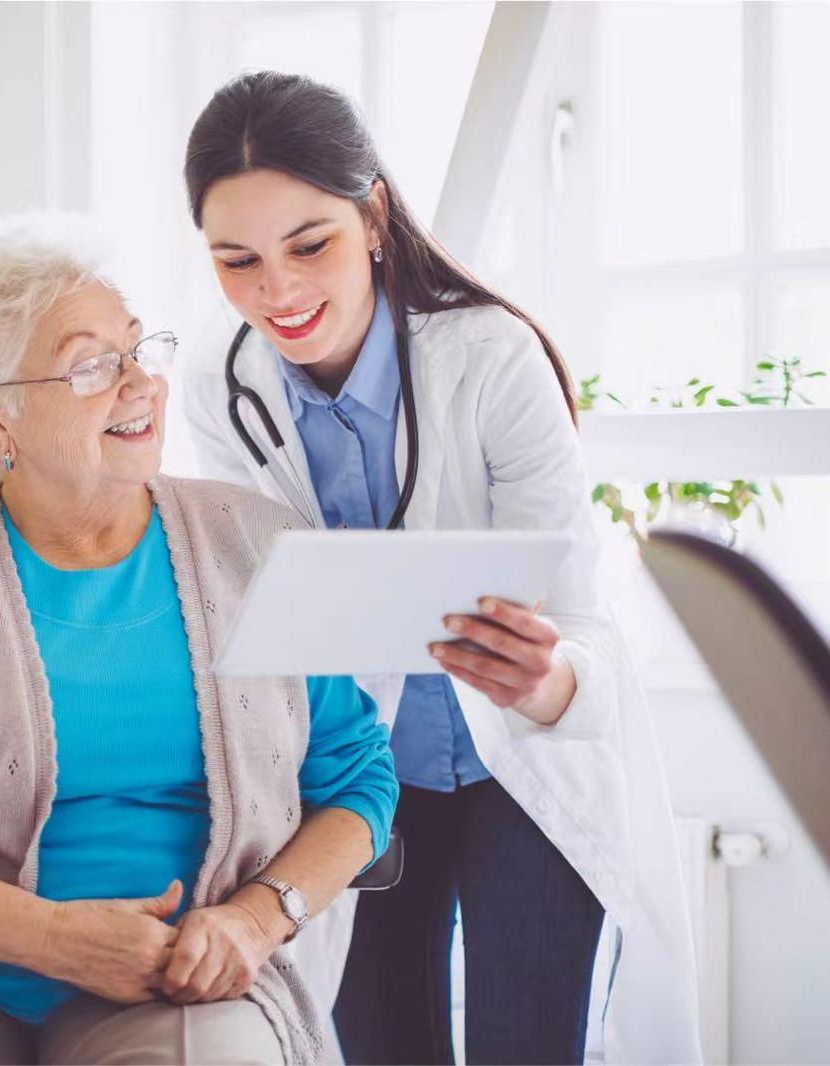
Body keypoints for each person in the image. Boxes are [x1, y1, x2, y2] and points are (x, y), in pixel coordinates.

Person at [0, 214, 398, 1065]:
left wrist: (255, 919)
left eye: (139, 350)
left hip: (180, 980)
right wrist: (48, 936)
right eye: (92, 365)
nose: (138, 384)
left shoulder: (259, 545)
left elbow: (357, 779)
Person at [178, 71, 701, 1064]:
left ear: (372, 216)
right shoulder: (223, 381)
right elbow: (263, 596)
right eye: (235, 260)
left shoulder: (492, 359)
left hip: (521, 771)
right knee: (377, 1046)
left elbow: (576, 612)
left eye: (310, 244)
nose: (276, 292)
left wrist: (546, 680)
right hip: (356, 783)